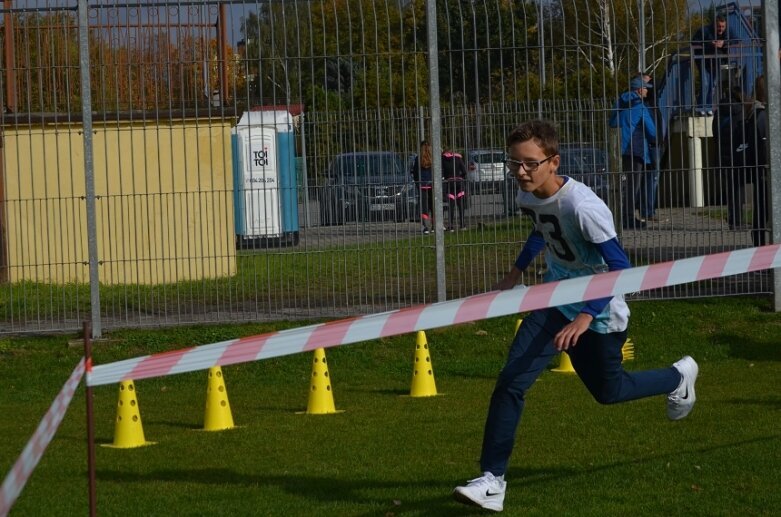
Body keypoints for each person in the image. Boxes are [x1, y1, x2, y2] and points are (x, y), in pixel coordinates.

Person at [452, 120, 698, 513]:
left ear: (554, 162)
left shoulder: (584, 206)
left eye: (530, 164)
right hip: (552, 302)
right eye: (514, 163)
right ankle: (492, 480)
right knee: (510, 384)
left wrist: (584, 317)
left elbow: (621, 268)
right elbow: (542, 231)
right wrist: (516, 272)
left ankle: (678, 376)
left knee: (609, 392)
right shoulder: (528, 195)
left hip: (599, 316)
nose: (520, 172)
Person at [609, 76, 657, 230]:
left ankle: (617, 217)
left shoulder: (619, 103)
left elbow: (612, 122)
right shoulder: (641, 107)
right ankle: (629, 218)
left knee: (619, 186)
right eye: (645, 88)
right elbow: (652, 132)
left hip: (617, 150)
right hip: (635, 150)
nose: (647, 91)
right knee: (632, 186)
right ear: (638, 90)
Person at [713, 86, 751, 229]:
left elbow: (714, 133)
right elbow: (744, 131)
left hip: (723, 156)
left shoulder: (718, 113)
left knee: (731, 189)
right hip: (737, 154)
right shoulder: (741, 111)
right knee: (739, 189)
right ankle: (738, 222)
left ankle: (733, 220)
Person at [692, 15, 738, 115]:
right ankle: (700, 108)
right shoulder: (704, 30)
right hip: (703, 60)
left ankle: (708, 107)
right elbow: (694, 41)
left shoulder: (727, 30)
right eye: (718, 26)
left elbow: (736, 39)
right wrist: (709, 43)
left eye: (722, 27)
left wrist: (724, 43)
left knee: (713, 84)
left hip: (716, 60)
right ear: (714, 25)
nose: (720, 29)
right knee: (705, 83)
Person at [441, 147, 468, 231]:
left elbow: (441, 172)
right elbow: (464, 171)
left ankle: (451, 226)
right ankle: (462, 225)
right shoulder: (458, 158)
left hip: (449, 183)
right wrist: (461, 177)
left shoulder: (443, 160)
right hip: (459, 183)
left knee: (451, 206)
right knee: (461, 205)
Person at [411, 140, 434, 234]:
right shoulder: (433, 158)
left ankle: (425, 226)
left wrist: (417, 182)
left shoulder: (418, 158)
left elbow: (415, 173)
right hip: (432, 184)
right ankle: (434, 226)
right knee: (433, 205)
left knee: (424, 205)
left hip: (422, 184)